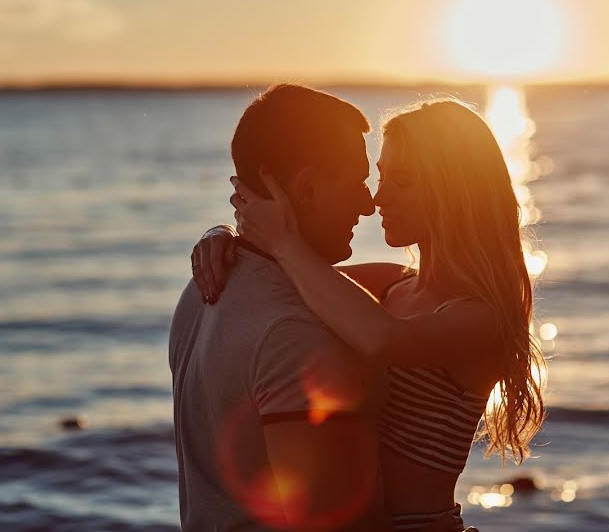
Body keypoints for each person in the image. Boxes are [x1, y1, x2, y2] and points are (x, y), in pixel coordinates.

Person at [192, 95, 546, 530]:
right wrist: (229, 235)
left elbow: (385, 340)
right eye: (380, 177)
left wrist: (283, 242)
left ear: (452, 188)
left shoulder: (481, 317)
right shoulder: (391, 282)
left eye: (401, 181)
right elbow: (295, 279)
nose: (378, 198)